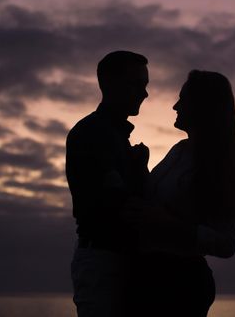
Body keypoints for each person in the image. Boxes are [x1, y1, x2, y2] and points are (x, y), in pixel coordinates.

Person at [128, 70, 235, 317]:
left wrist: (171, 225)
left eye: (183, 99)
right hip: (148, 276)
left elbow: (227, 243)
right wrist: (140, 170)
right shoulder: (179, 150)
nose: (175, 106)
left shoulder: (218, 164)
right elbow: (154, 203)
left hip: (181, 284)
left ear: (202, 106)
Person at [66, 50, 149, 317]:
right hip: (103, 260)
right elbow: (115, 203)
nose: (144, 93)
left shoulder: (112, 136)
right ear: (110, 84)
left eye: (144, 85)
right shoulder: (91, 134)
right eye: (137, 84)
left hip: (116, 260)